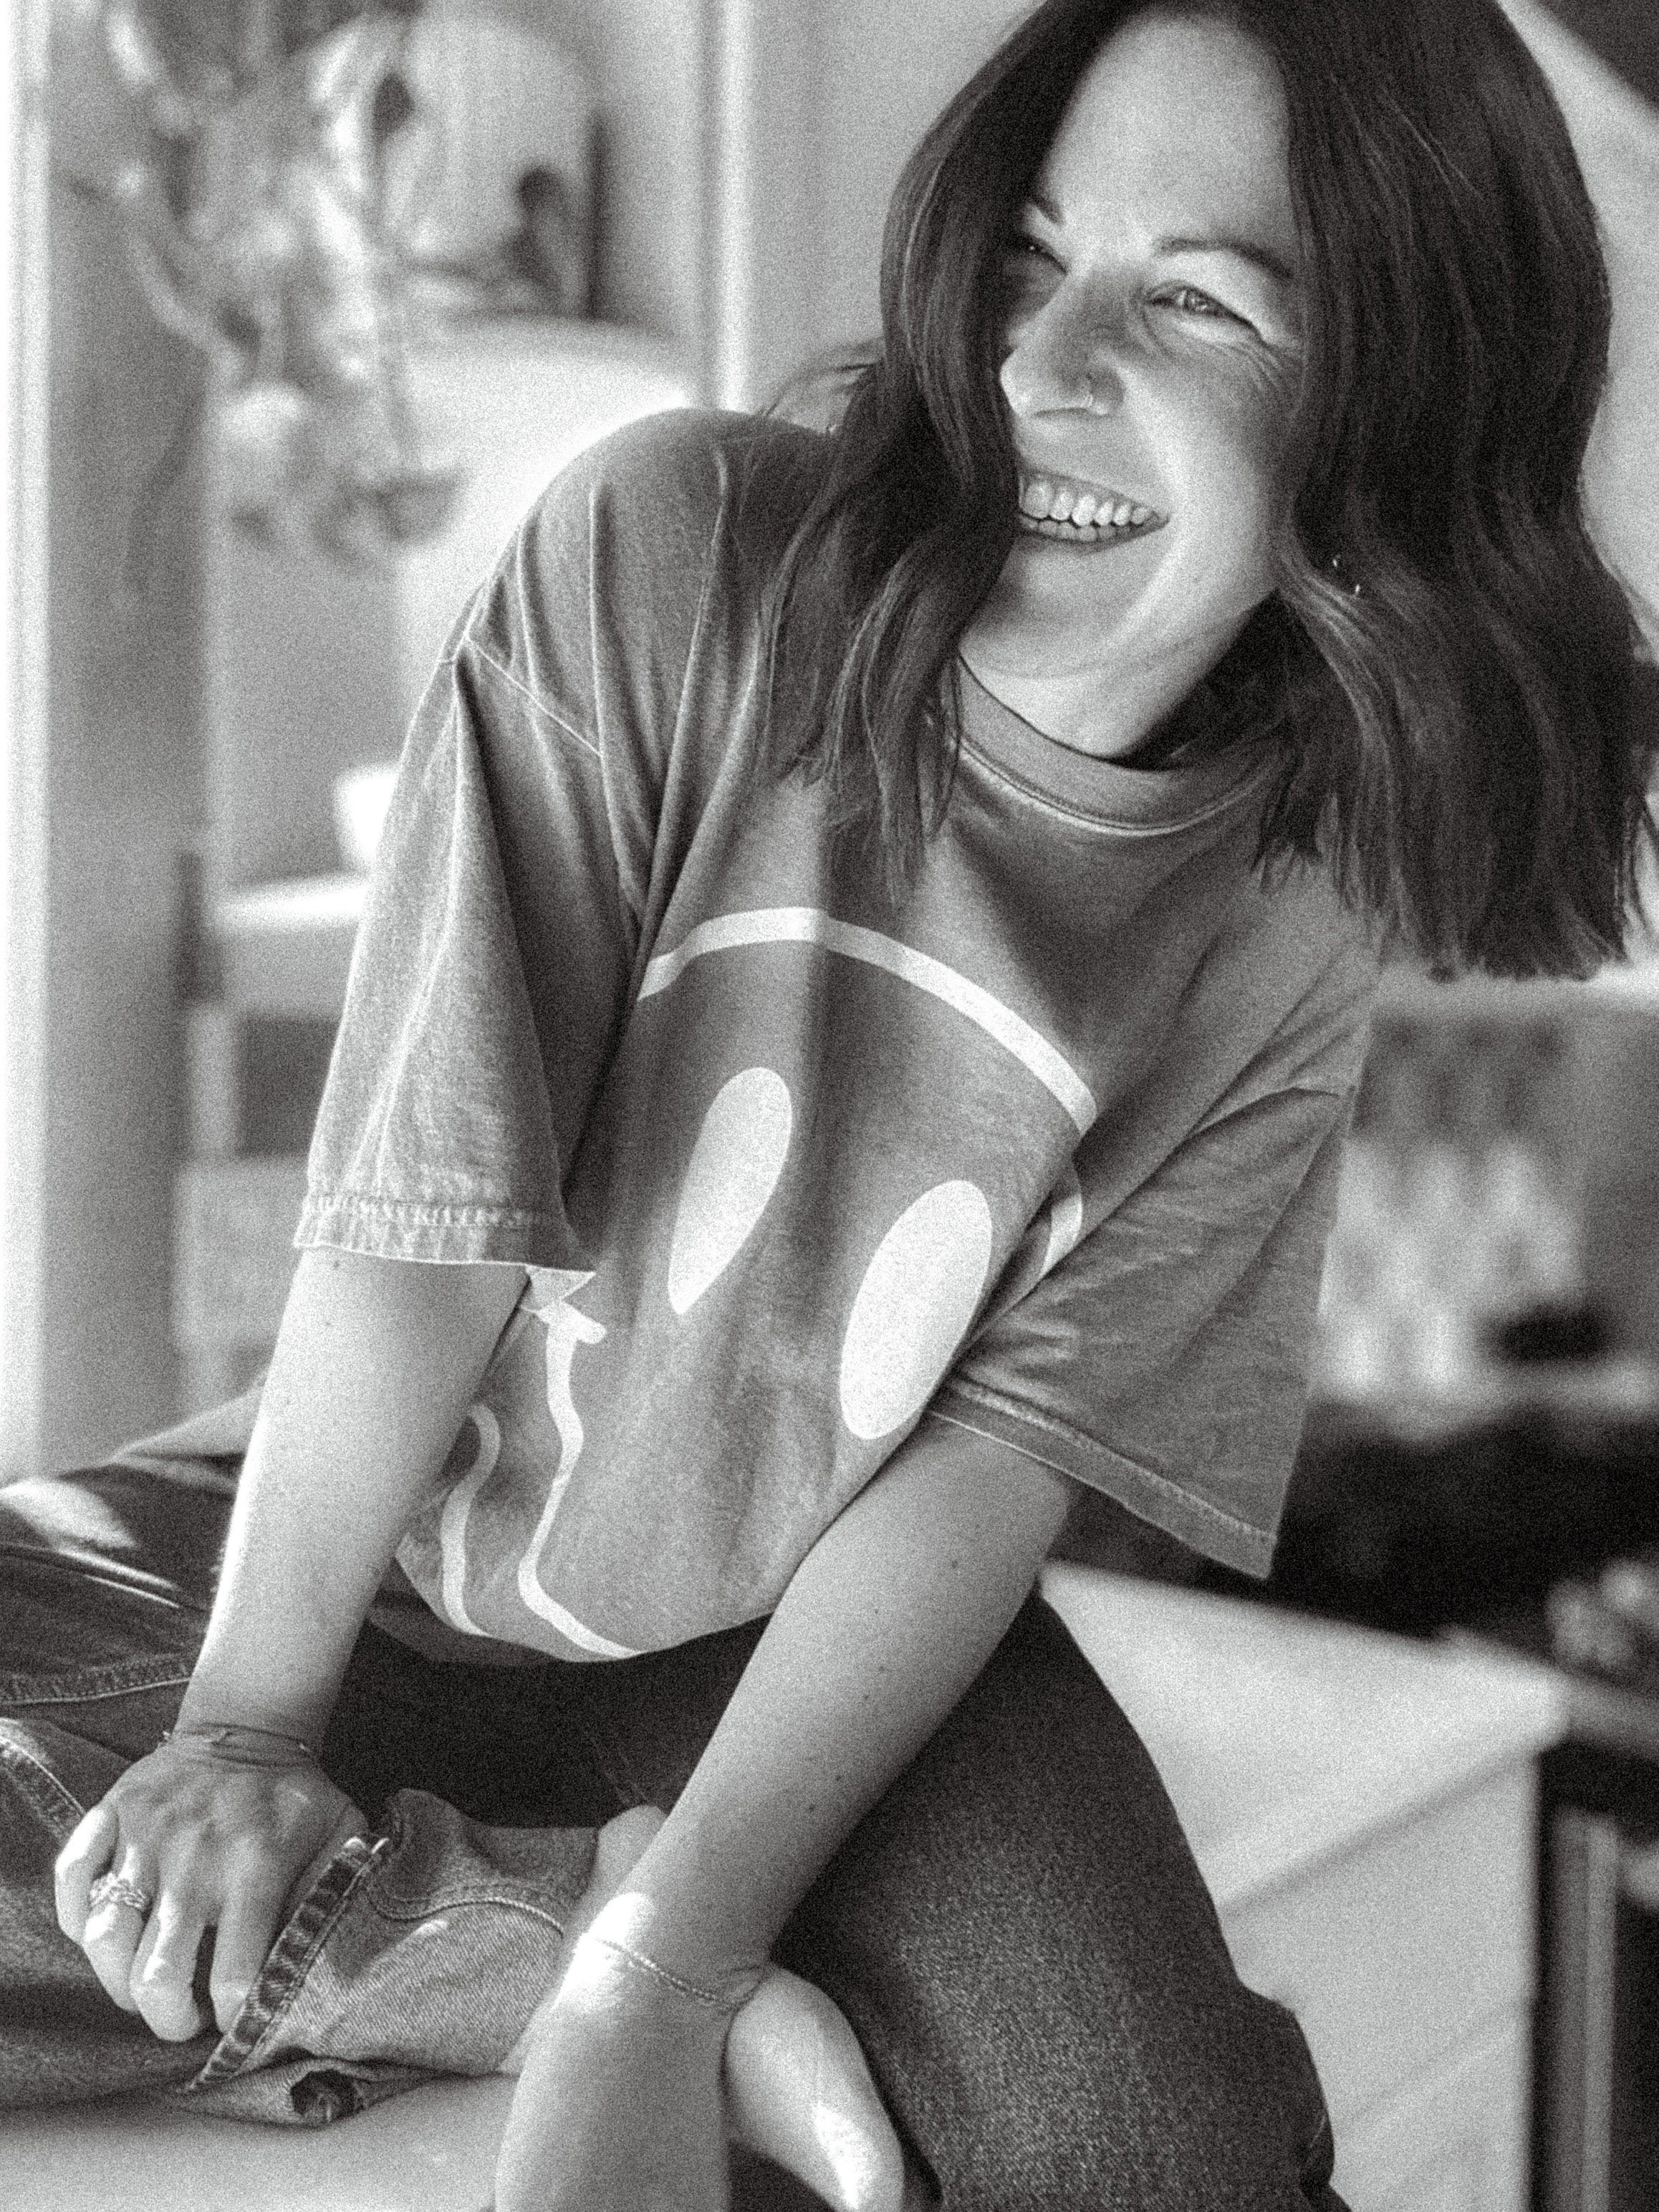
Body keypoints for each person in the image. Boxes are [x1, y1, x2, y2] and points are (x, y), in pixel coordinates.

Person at [3, 0, 1651, 2205]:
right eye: (1026, 258)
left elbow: (986, 1475)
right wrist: (268, 1748)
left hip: (803, 1638)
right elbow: (424, 1220)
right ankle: (463, 1934)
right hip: (347, 1549)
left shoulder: (1280, 908)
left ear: (1390, 407)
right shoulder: (670, 547)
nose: (1042, 365)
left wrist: (675, 1960)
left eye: (1191, 302)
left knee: (1151, 2155)